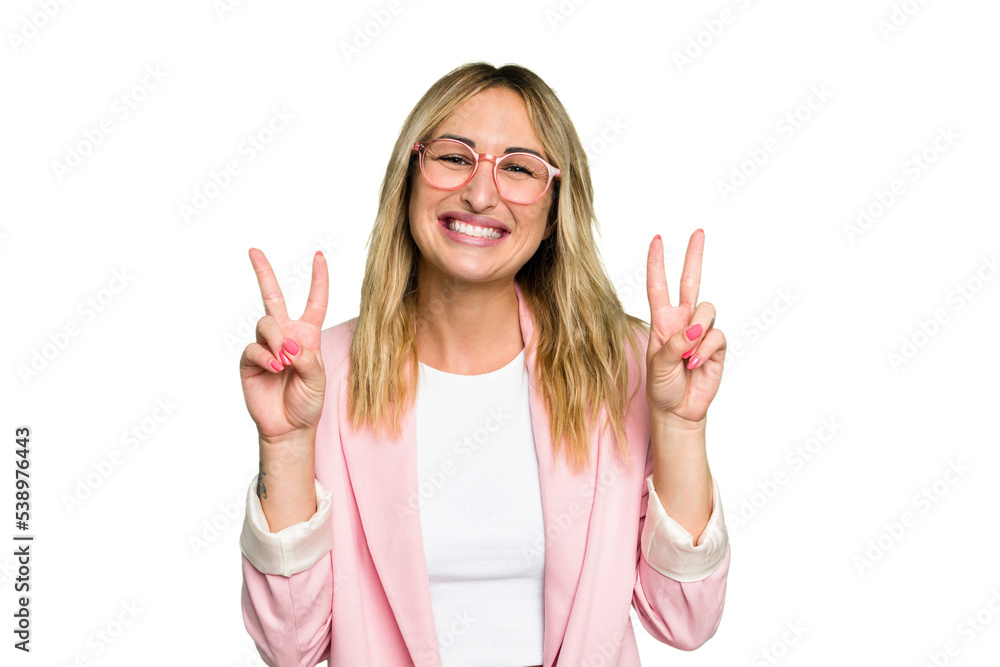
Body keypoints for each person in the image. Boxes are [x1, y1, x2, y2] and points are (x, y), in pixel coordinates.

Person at [237, 62, 731, 667]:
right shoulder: (322, 375)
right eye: (454, 157)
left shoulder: (627, 366)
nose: (480, 192)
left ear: (554, 211)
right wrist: (286, 446)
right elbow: (290, 646)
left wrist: (680, 427)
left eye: (519, 168)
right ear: (409, 178)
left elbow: (685, 619)